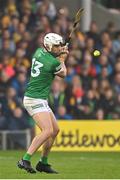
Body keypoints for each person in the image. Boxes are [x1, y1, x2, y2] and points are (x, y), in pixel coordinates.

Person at [17, 33, 69, 173]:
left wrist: (59, 53)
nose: (58, 48)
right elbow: (63, 74)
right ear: (48, 46)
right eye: (56, 46)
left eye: (59, 45)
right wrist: (63, 59)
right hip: (34, 99)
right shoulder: (52, 63)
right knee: (47, 131)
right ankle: (25, 159)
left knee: (55, 130)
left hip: (39, 98)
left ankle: (43, 163)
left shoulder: (38, 51)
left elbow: (52, 57)